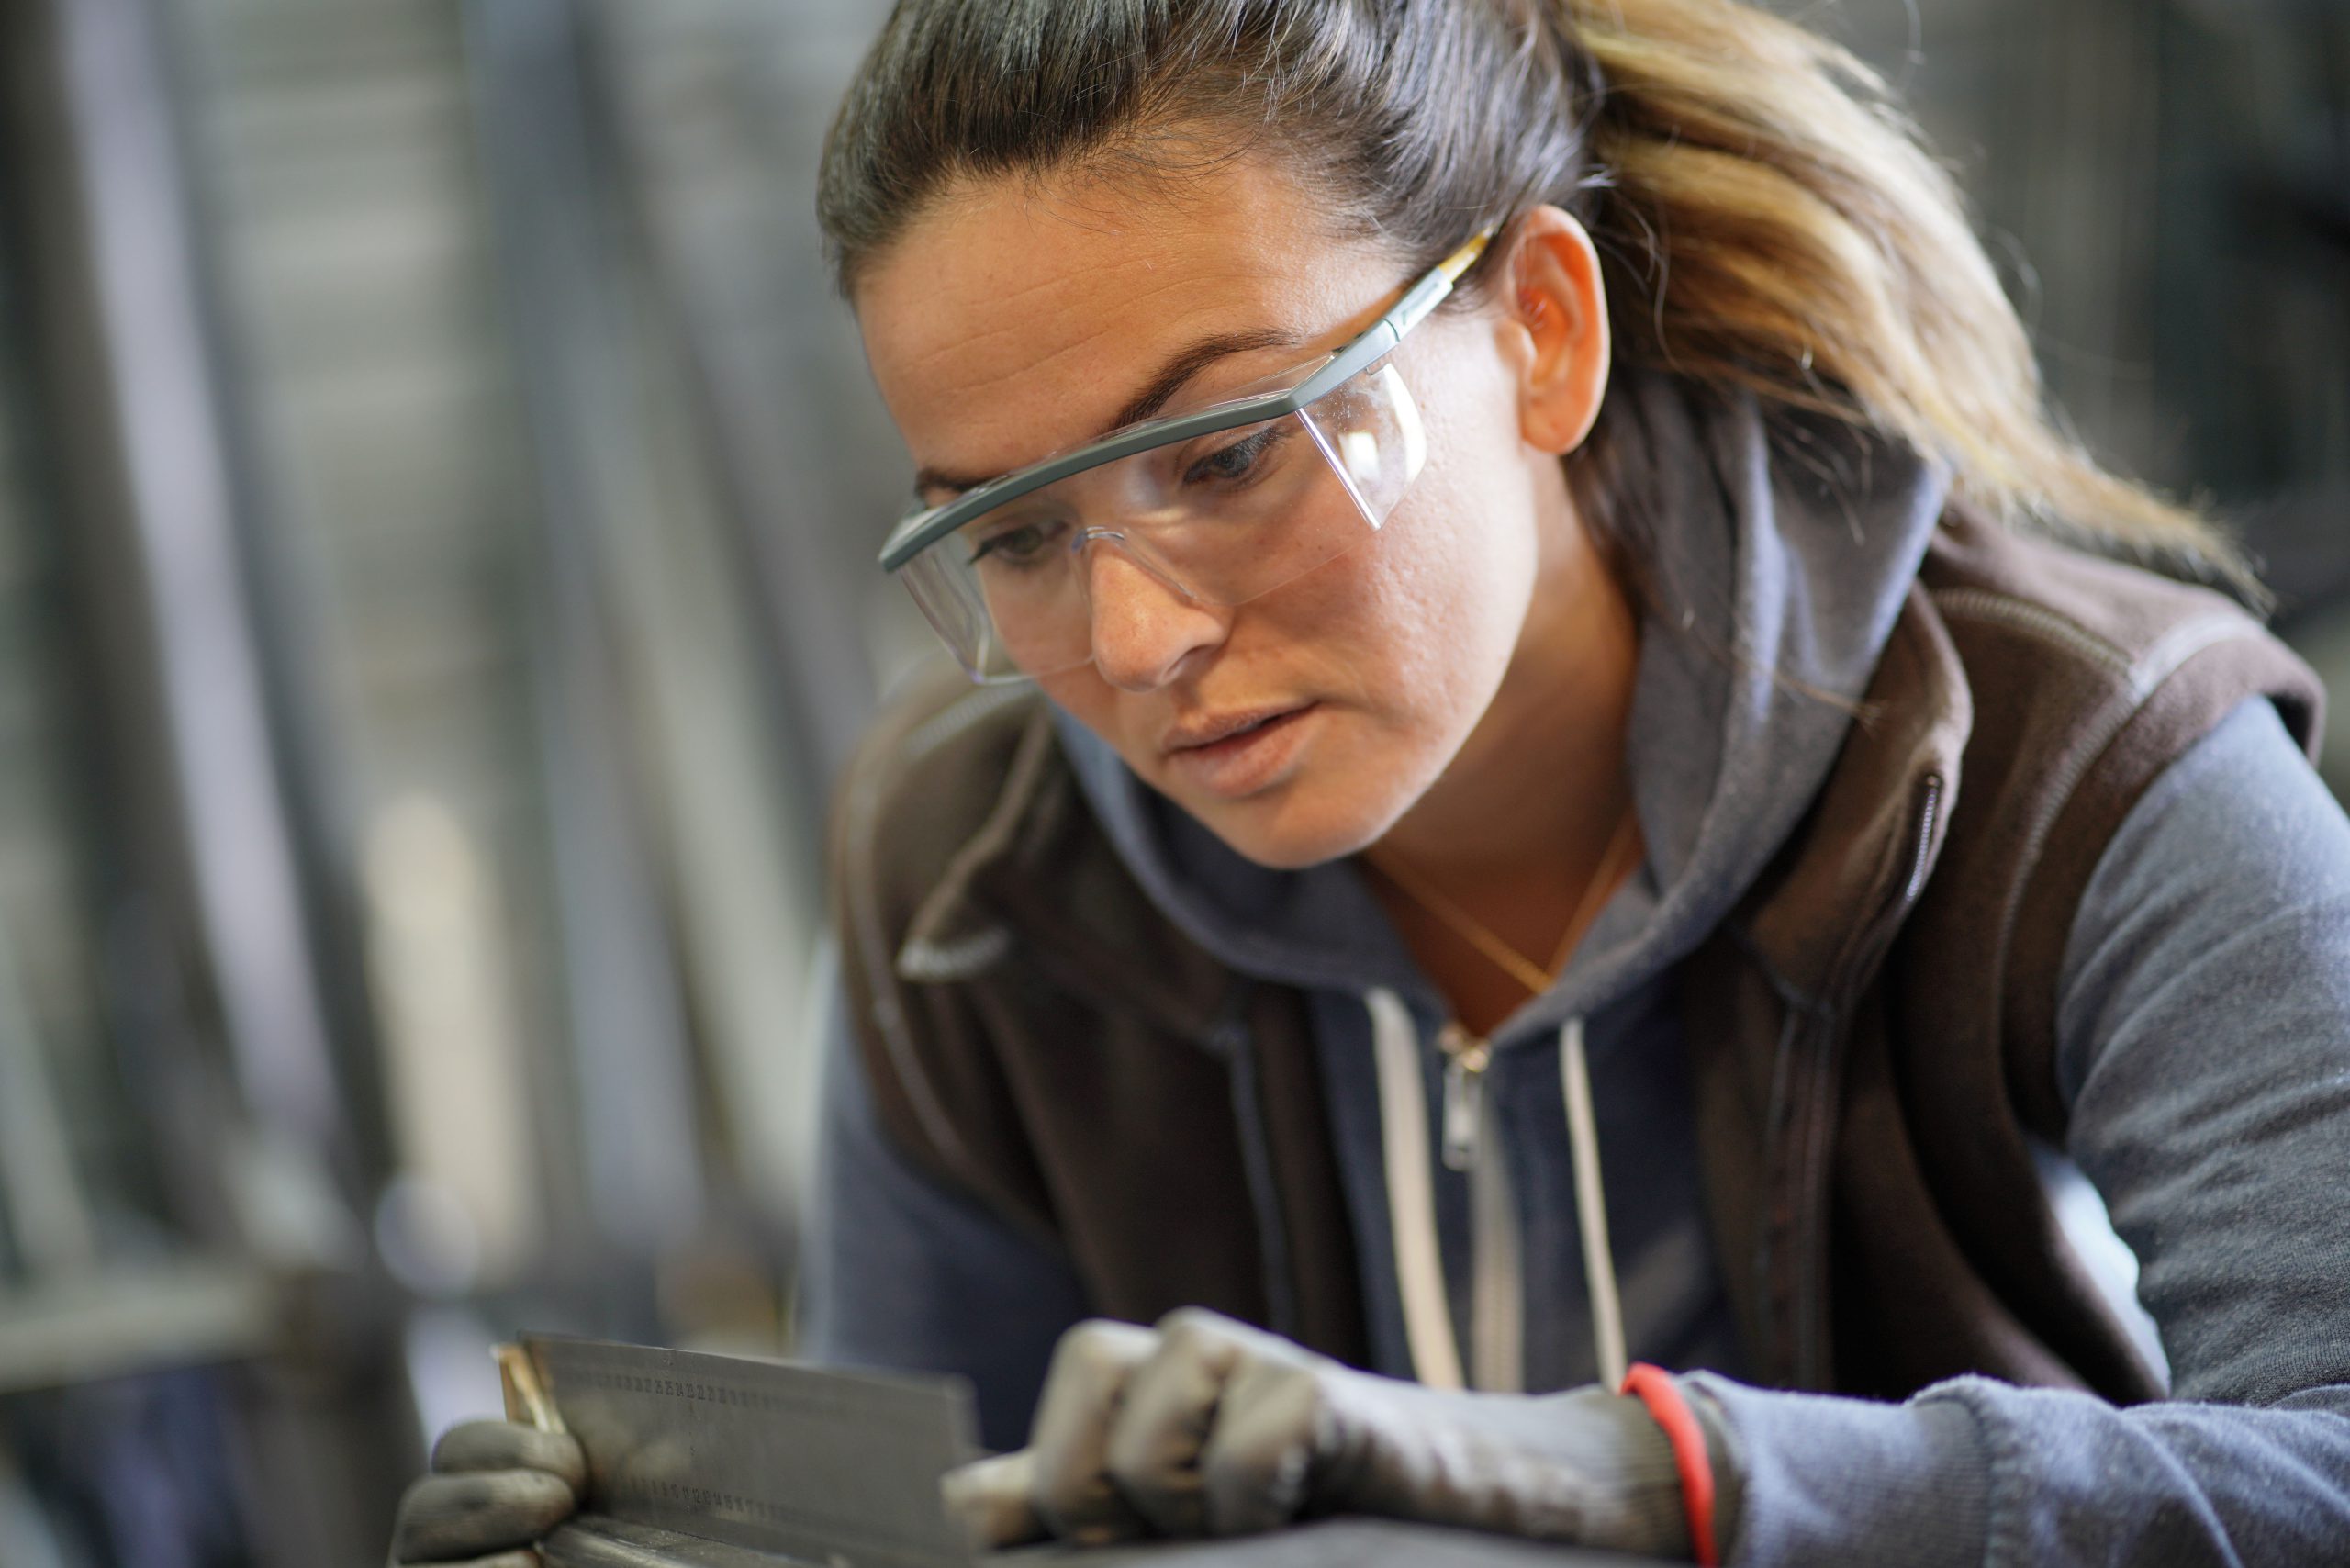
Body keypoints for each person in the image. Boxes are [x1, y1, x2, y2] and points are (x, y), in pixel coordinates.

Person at [390, 0, 2350, 1563]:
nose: (1135, 637)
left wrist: (1638, 1476)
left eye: (1227, 453)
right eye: (1010, 532)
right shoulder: (966, 893)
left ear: (1541, 337)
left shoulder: (2077, 763)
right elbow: (951, 1521)